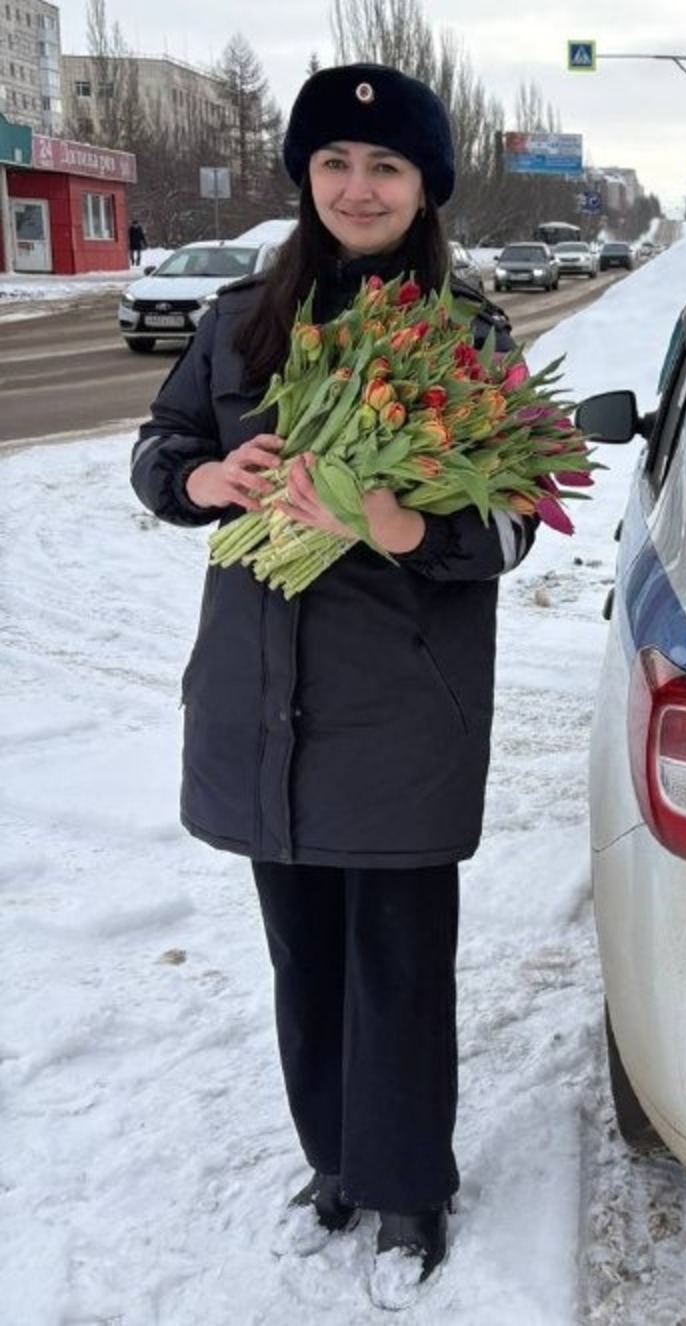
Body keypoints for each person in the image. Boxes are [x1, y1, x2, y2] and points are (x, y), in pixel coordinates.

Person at [129, 63, 529, 1303]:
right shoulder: (239, 319)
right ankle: (336, 1163)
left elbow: (515, 522)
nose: (359, 187)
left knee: (398, 961)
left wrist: (410, 530)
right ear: (306, 178)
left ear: (426, 190)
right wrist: (204, 485)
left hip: (402, 703)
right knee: (303, 953)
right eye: (337, 165)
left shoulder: (467, 339)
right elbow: (159, 449)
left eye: (389, 167)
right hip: (262, 701)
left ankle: (408, 1181)